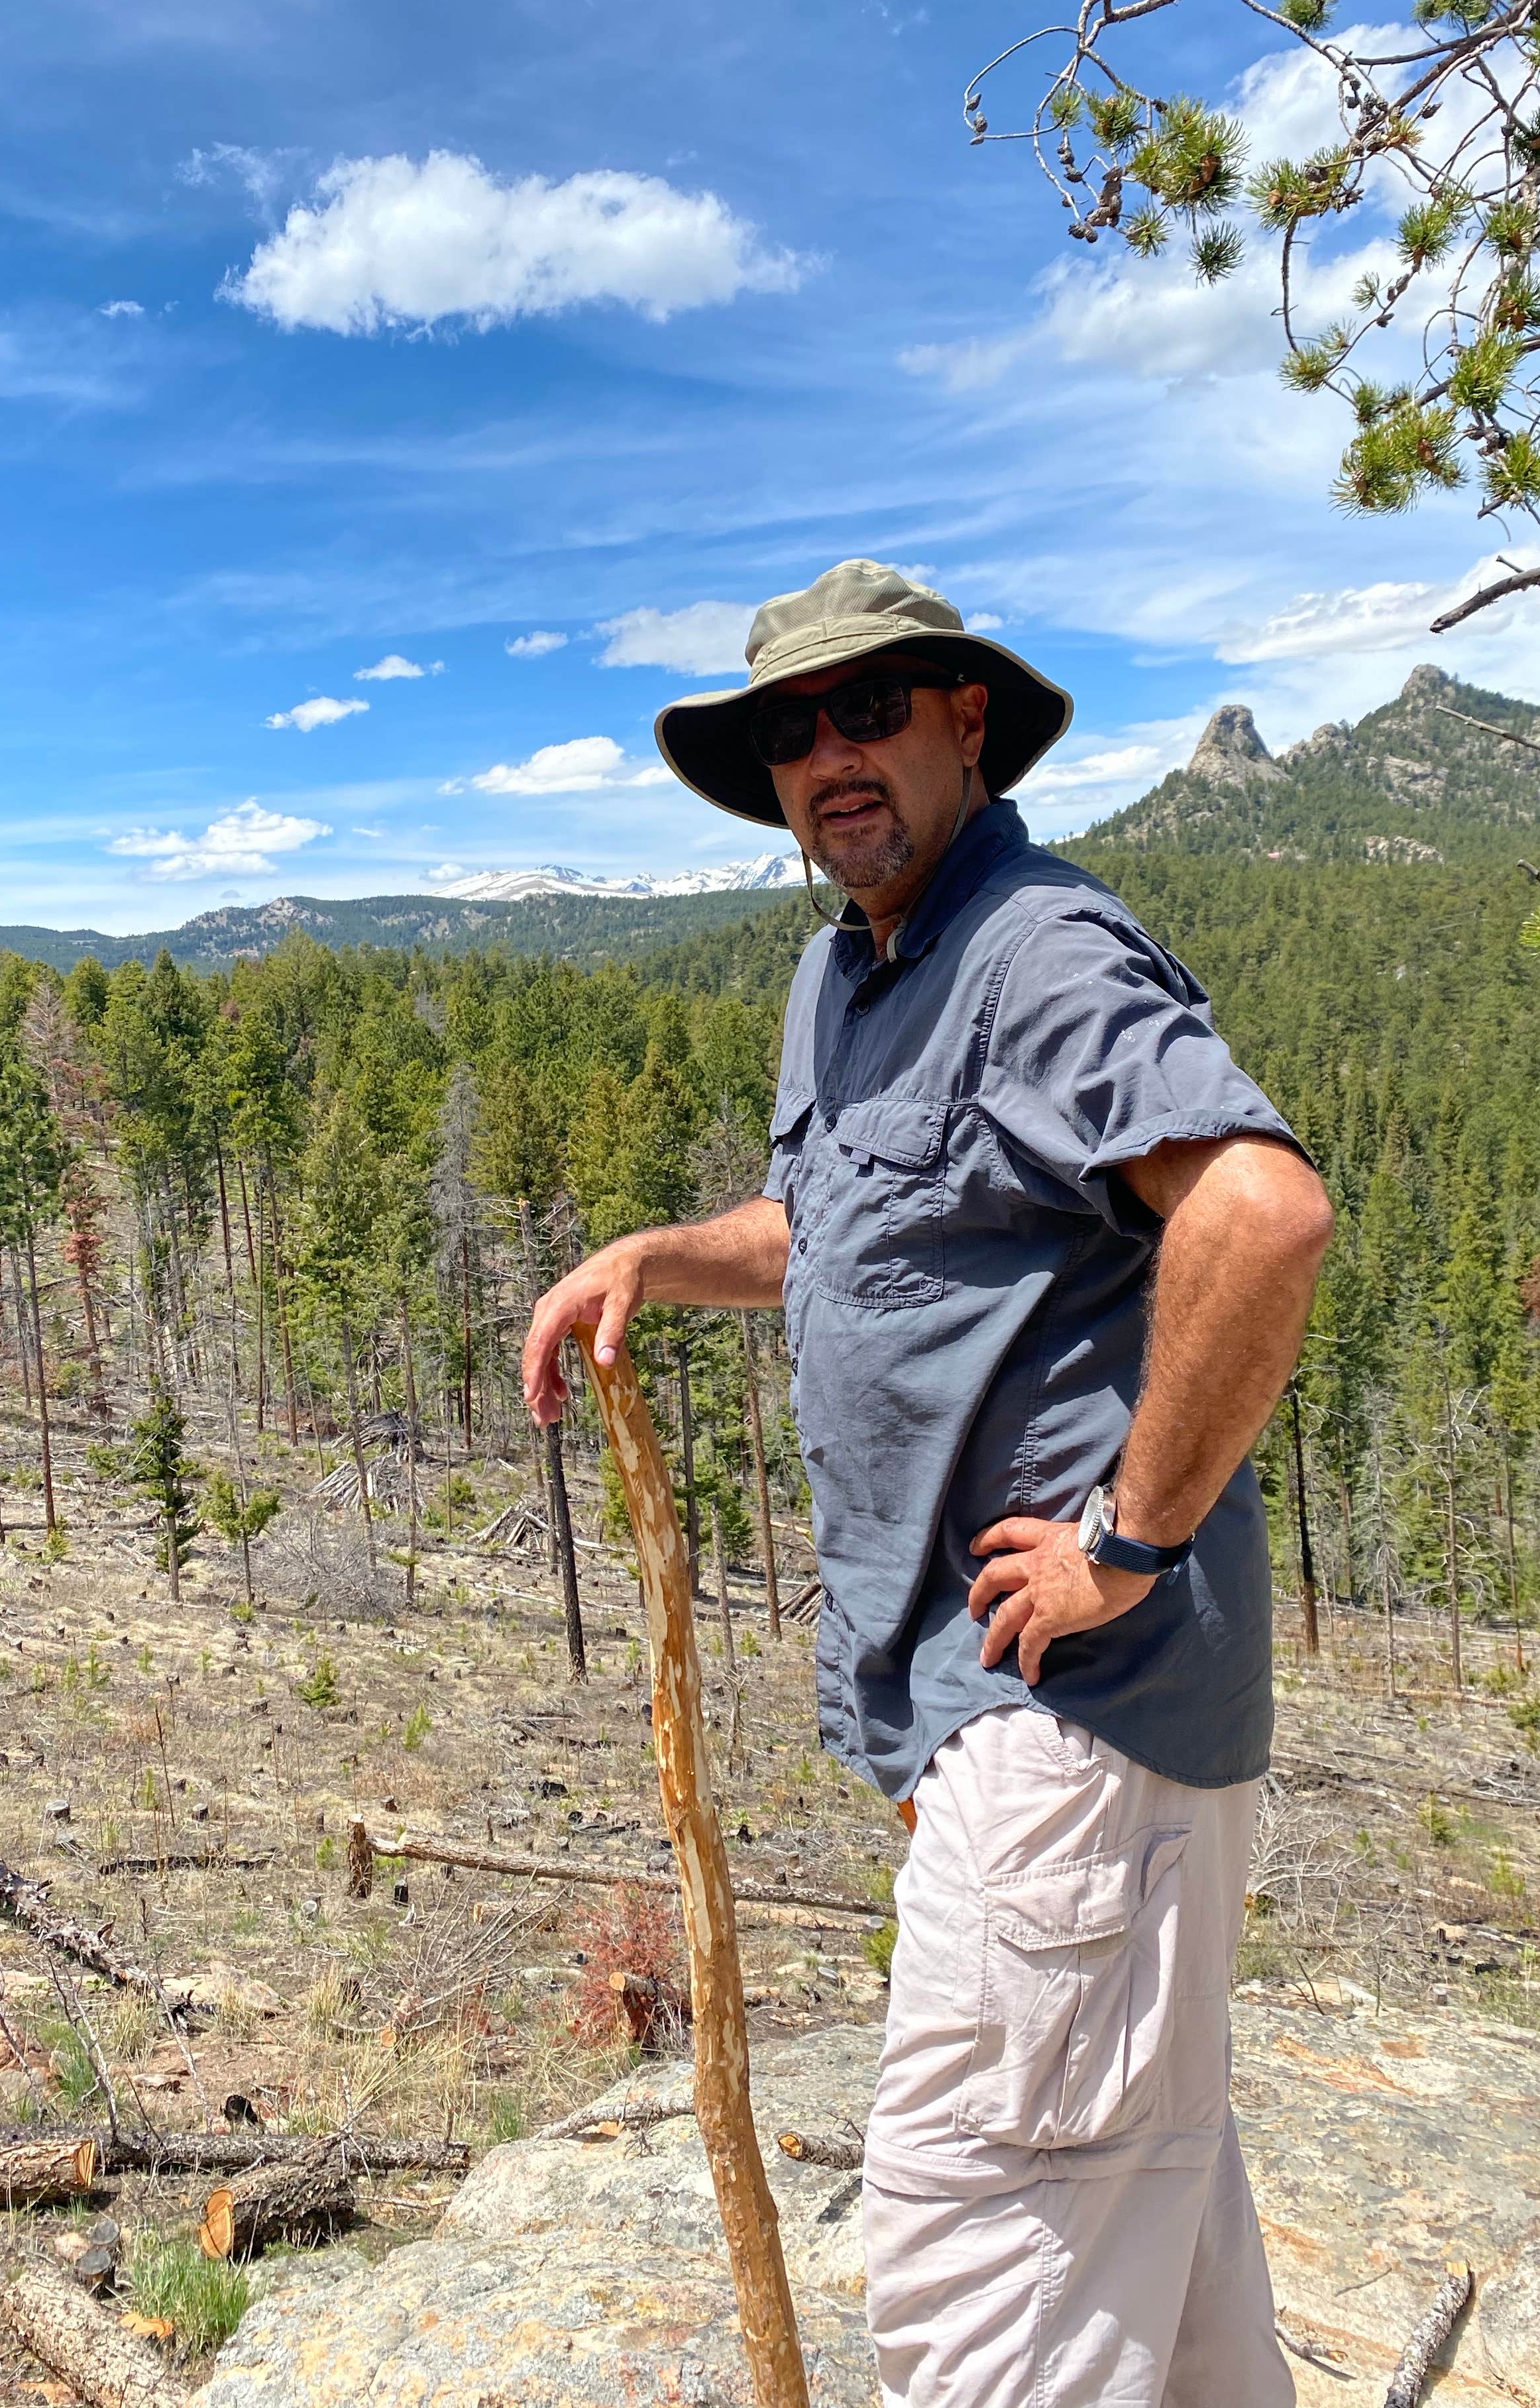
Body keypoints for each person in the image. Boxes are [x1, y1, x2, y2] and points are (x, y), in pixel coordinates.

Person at [522, 558, 1331, 2407]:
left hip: (1075, 1722)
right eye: (791, 734)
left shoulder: (1037, 949)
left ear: (969, 722)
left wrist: (1131, 1540)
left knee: (986, 2272)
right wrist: (660, 1251)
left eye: (869, 709)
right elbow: (830, 1224)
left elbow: (1262, 1216)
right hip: (1033, 1745)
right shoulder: (851, 972)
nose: (829, 757)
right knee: (1161, 2252)